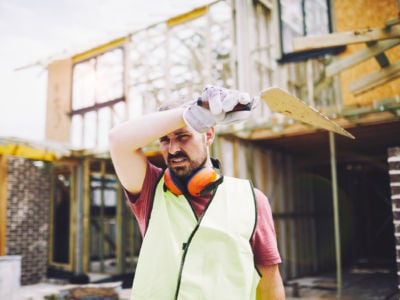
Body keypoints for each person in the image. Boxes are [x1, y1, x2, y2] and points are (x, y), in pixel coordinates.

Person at [109, 86, 285, 299]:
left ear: (208, 134)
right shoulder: (151, 190)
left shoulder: (252, 200)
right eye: (165, 140)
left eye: (183, 136)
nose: (173, 149)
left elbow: (270, 282)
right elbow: (118, 141)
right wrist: (192, 112)